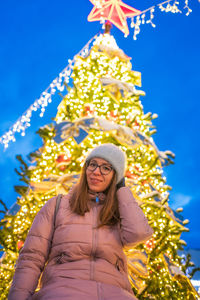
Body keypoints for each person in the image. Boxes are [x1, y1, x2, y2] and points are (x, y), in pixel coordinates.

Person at [8, 143, 154, 300]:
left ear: (115, 177)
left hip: (116, 293)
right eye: (93, 164)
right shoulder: (57, 205)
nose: (96, 172)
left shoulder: (120, 212)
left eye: (106, 168)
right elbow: (32, 257)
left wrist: (122, 190)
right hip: (62, 291)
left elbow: (138, 234)